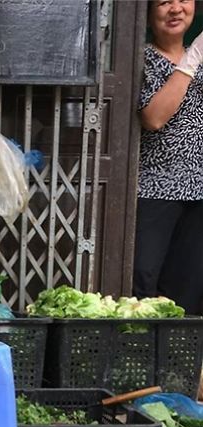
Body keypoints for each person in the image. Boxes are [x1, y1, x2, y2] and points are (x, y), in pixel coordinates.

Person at [133, 0, 203, 314]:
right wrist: (190, 62)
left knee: (188, 284)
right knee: (144, 280)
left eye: (182, 0)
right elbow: (154, 118)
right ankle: (138, 355)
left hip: (199, 191)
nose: (175, 8)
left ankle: (177, 360)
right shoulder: (142, 58)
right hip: (155, 189)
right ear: (148, 13)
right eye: (164, 2)